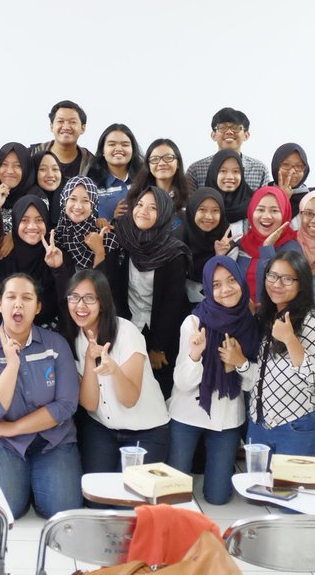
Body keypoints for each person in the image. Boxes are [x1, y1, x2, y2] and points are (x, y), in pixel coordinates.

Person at [0, 272, 83, 519]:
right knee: (6, 509)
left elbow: (66, 405)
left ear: (38, 307)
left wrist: (15, 427)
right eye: (11, 297)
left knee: (62, 510)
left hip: (52, 439)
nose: (18, 304)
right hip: (2, 442)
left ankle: (36, 481)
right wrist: (11, 366)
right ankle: (25, 482)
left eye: (27, 298)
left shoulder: (56, 344)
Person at [168, 256, 259, 505]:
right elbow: (182, 382)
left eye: (231, 280)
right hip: (188, 412)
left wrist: (240, 361)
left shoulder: (251, 325)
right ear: (208, 288)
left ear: (241, 281)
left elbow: (252, 385)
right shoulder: (194, 322)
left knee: (218, 498)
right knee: (173, 493)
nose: (226, 289)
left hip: (227, 417)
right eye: (216, 284)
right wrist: (196, 355)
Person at [221, 249, 315, 455]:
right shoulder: (266, 317)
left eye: (287, 279)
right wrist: (241, 362)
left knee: (292, 488)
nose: (277, 284)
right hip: (259, 425)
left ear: (302, 283)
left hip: (297, 425)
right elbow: (260, 378)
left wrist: (290, 339)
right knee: (255, 488)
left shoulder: (313, 320)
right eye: (272, 276)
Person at [62, 269, 170, 475]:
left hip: (147, 430)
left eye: (89, 299)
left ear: (102, 302)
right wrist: (88, 359)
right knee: (96, 500)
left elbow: (129, 399)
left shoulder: (126, 332)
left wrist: (114, 370)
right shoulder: (73, 338)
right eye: (73, 297)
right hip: (102, 429)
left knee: (132, 498)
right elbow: (90, 403)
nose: (80, 306)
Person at [104, 186, 191, 398]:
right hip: (126, 325)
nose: (143, 211)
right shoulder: (123, 239)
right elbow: (113, 287)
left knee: (156, 392)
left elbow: (173, 303)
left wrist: (158, 348)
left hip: (161, 333)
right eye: (140, 204)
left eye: (153, 207)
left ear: (162, 214)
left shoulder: (173, 252)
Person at [0, 195, 65, 330]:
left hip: (49, 332)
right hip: (7, 334)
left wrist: (58, 269)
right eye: (24, 220)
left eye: (39, 220)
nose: (32, 226)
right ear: (15, 223)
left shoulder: (56, 254)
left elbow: (65, 302)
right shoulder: (2, 256)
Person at [186, 108, 271, 191]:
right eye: (222, 127)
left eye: (236, 128)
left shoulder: (259, 170)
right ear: (213, 135)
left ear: (246, 135)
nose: (229, 132)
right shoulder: (196, 170)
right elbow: (190, 204)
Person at [236, 185, 297, 296]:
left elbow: (276, 291)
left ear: (284, 213)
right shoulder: (242, 244)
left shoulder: (292, 249)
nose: (267, 216)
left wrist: (267, 249)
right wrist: (222, 255)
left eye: (274, 210)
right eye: (260, 209)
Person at [183, 188, 238, 303]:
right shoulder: (179, 241)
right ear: (192, 210)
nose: (209, 216)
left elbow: (226, 286)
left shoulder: (228, 246)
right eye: (202, 210)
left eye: (215, 211)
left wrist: (219, 257)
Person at [53, 176, 118, 272]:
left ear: (93, 205)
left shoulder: (107, 238)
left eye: (86, 200)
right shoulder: (56, 238)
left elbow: (110, 283)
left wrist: (99, 252)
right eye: (72, 199)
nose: (78, 206)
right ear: (64, 201)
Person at [86, 123, 143, 221]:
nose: (119, 149)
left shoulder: (143, 179)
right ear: (103, 150)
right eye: (112, 144)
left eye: (125, 144)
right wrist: (113, 220)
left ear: (133, 150)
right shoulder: (91, 184)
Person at [28, 100, 95, 181]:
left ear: (83, 128)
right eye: (60, 121)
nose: (66, 127)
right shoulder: (32, 154)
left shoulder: (91, 163)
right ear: (51, 126)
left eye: (73, 122)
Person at [128, 138, 190, 220]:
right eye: (155, 159)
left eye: (168, 157)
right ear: (148, 165)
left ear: (178, 163)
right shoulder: (137, 196)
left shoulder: (188, 199)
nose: (162, 163)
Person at [0, 142, 33, 233]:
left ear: (26, 168)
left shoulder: (36, 198)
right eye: (4, 164)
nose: (10, 171)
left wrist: (12, 238)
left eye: (18, 166)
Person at [203, 149, 253, 238]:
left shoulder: (255, 206)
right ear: (213, 173)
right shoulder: (200, 207)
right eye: (223, 171)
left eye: (236, 171)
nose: (230, 177)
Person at [269, 142, 311, 214]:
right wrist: (281, 198)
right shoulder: (263, 195)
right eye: (286, 165)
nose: (292, 171)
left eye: (299, 166)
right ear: (276, 166)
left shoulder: (311, 198)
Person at [27, 150, 64, 217]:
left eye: (55, 169)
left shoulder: (70, 199)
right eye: (42, 169)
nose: (50, 175)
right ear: (33, 173)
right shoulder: (25, 202)